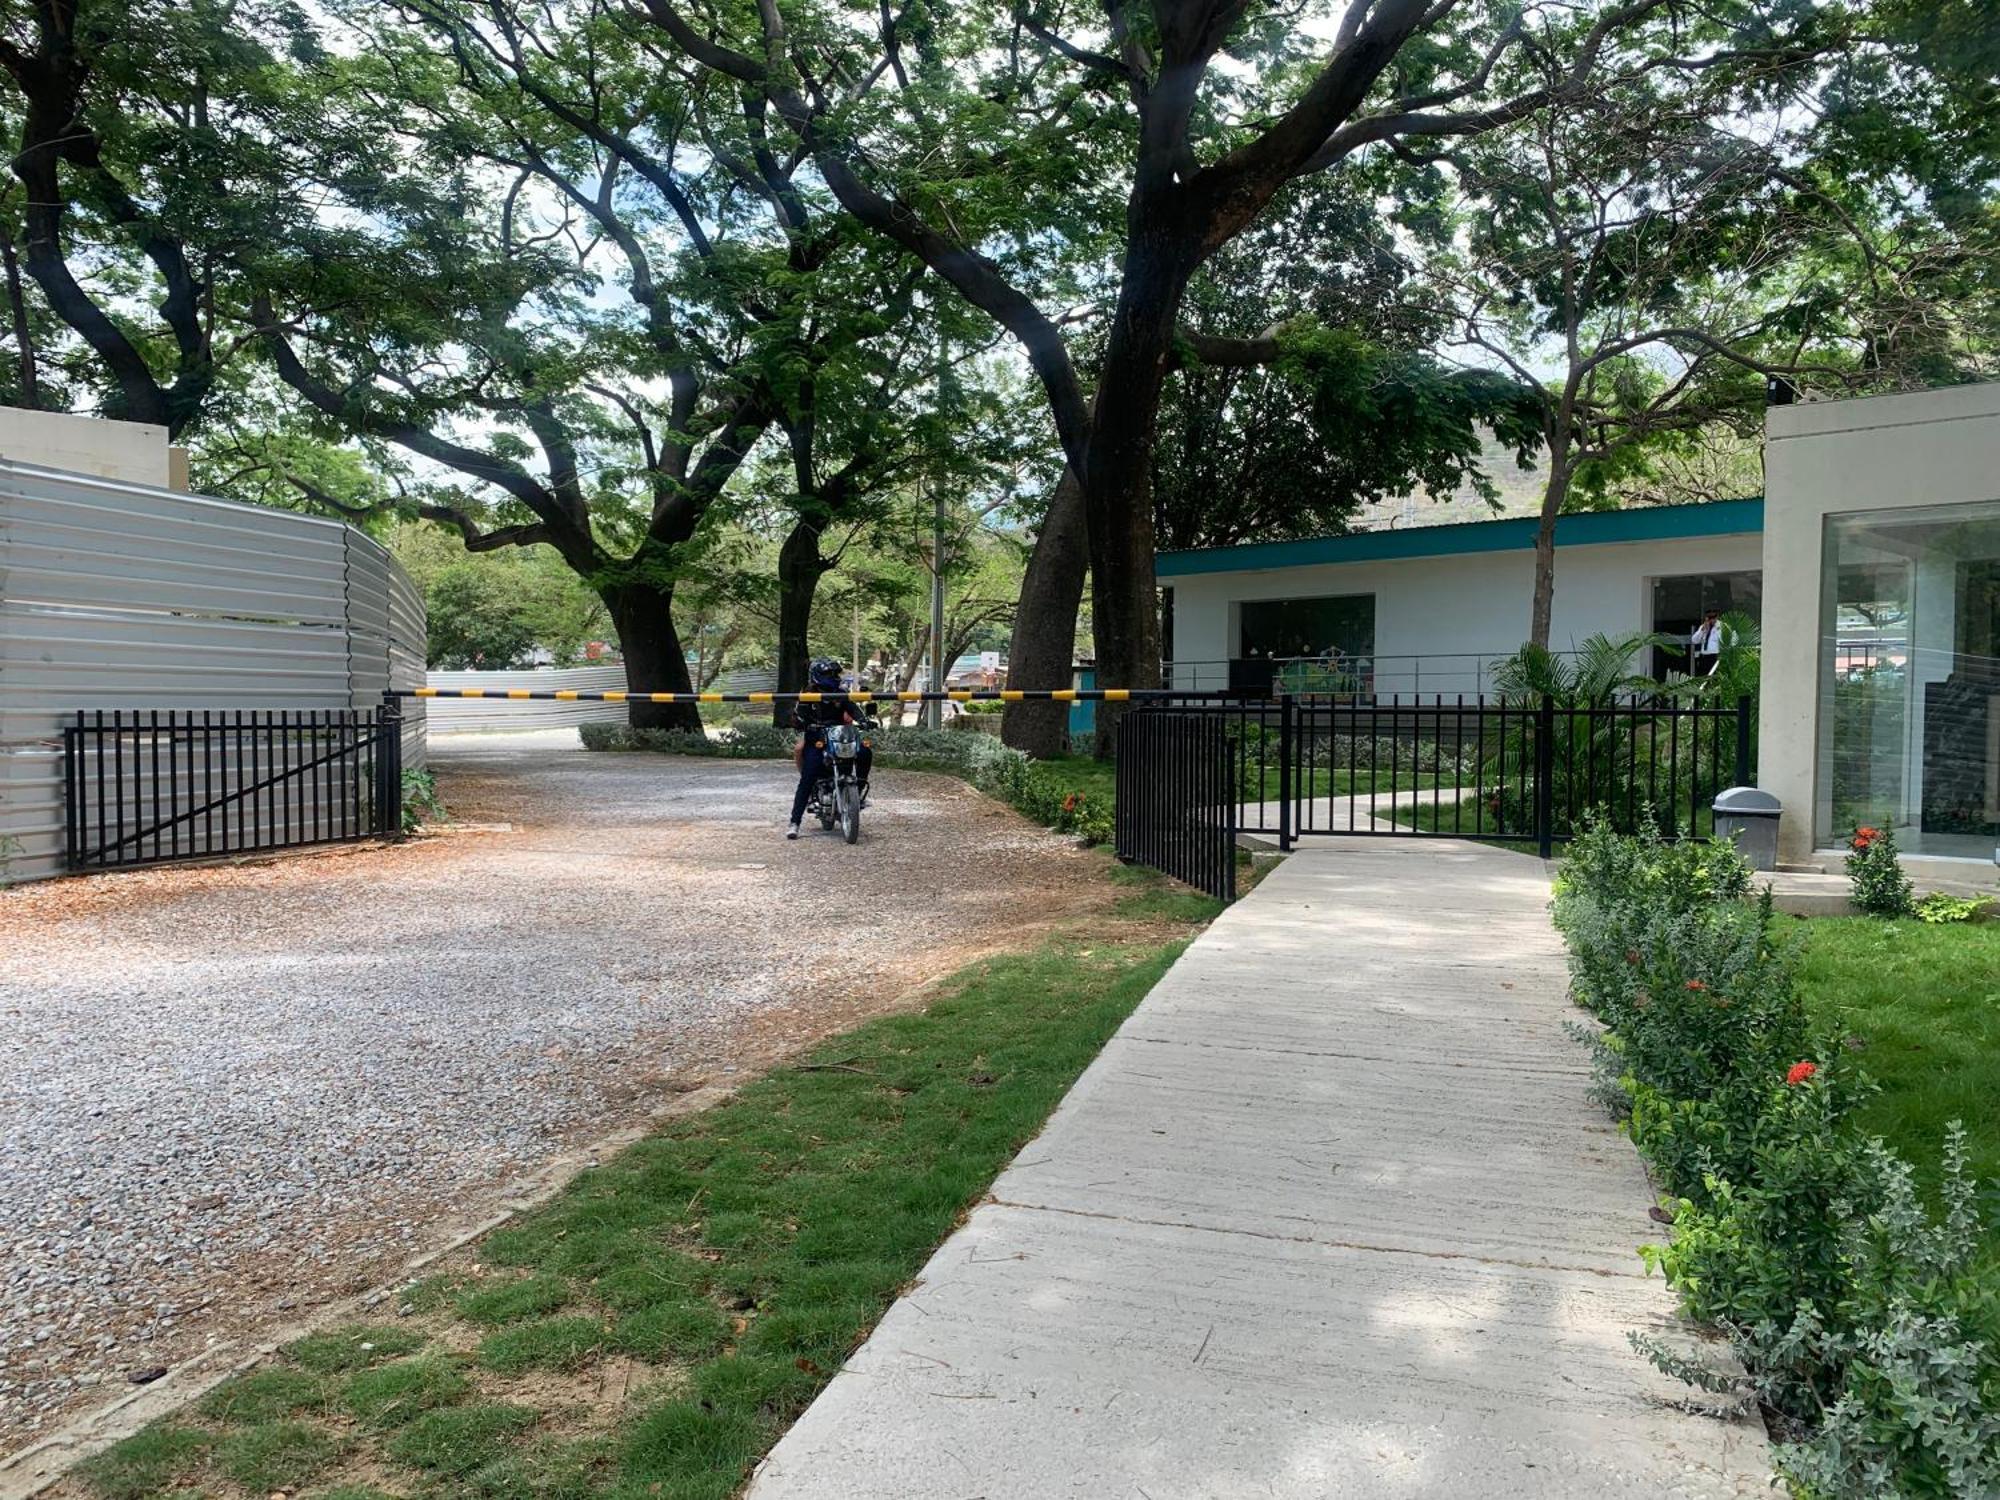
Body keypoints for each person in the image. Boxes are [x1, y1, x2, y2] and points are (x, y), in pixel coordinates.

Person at [788, 657, 874, 839]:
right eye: (829, 674)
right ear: (818, 676)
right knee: (809, 774)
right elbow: (799, 715)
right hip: (817, 737)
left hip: (840, 736)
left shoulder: (841, 693)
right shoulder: (808, 694)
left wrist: (865, 721)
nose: (834, 677)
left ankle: (857, 793)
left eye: (835, 673)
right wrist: (802, 722)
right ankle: (795, 822)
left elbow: (853, 709)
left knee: (865, 752)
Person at [1690, 609, 1729, 676]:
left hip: (1715, 656)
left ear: (1717, 617)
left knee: (1714, 678)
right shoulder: (1703, 627)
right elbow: (1694, 640)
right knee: (1703, 678)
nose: (1711, 620)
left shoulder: (1723, 626)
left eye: (1713, 617)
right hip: (1704, 657)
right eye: (1709, 617)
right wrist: (1702, 630)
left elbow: (1731, 639)